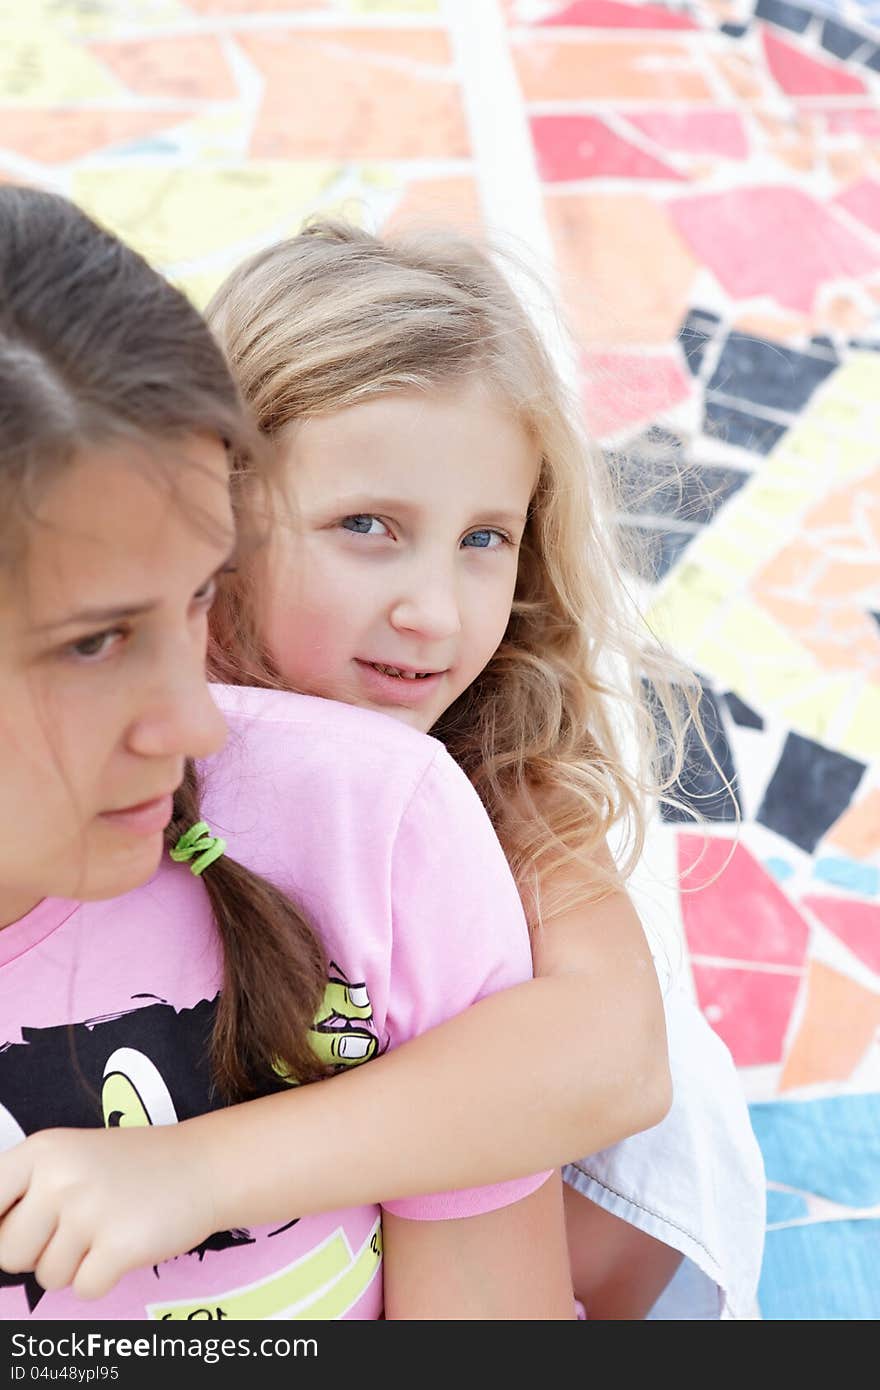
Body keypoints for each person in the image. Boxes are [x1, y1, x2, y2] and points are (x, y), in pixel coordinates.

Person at [0, 188, 575, 1321]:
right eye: (97, 639)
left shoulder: (391, 810)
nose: (195, 723)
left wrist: (199, 1172)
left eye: (195, 599)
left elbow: (608, 1051)